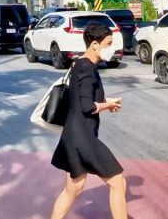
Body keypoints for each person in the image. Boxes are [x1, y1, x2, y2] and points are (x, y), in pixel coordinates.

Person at [49, 23, 126, 219]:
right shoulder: (87, 68)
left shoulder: (81, 64)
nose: (111, 48)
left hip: (74, 134)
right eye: (108, 44)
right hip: (83, 138)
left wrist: (106, 102)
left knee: (73, 189)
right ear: (94, 44)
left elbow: (82, 98)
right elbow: (87, 107)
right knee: (118, 182)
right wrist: (107, 105)